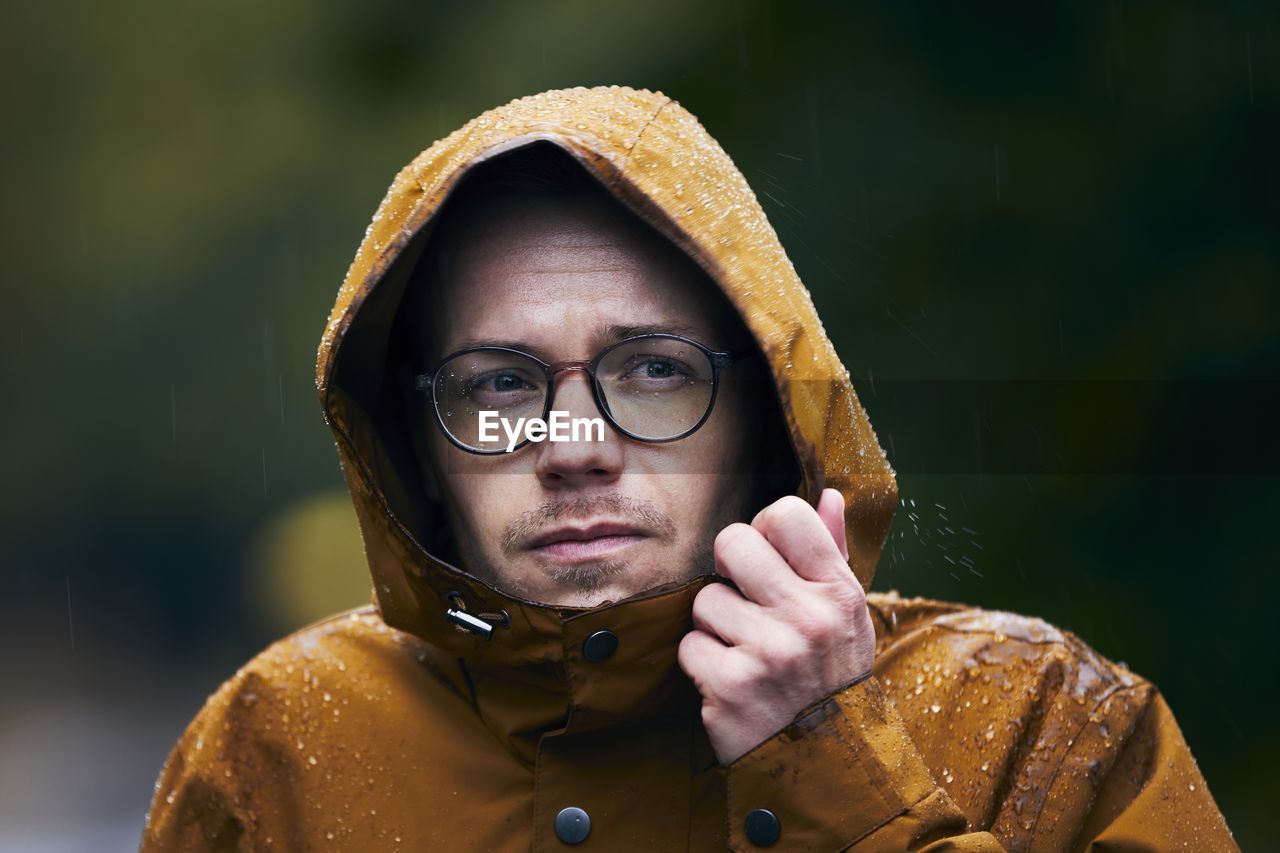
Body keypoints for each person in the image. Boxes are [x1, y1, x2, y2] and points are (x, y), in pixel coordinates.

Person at [141, 86, 1237, 851]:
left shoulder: (1036, 722)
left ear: (764, 415)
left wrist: (833, 770)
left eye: (653, 371)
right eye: (500, 385)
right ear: (415, 444)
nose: (575, 447)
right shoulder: (279, 745)